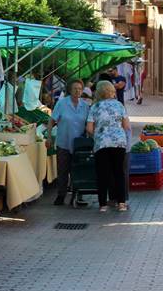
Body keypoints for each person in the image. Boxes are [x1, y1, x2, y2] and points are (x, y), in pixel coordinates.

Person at [86, 81, 130, 212]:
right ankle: (121, 203)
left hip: (101, 143)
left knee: (102, 173)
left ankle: (103, 205)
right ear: (112, 91)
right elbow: (126, 126)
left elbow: (89, 128)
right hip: (119, 143)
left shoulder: (95, 107)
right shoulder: (119, 105)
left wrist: (98, 134)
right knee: (118, 172)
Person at [46, 79, 90, 207]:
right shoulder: (62, 104)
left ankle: (78, 195)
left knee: (78, 170)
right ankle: (61, 195)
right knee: (63, 170)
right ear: (70, 90)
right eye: (75, 88)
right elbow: (51, 121)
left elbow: (89, 124)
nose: (78, 91)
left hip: (80, 145)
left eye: (80, 89)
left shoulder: (85, 106)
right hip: (64, 142)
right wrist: (49, 137)